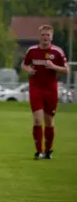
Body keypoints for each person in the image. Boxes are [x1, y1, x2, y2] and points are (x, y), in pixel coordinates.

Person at [20, 24, 69, 160]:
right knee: (37, 119)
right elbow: (24, 64)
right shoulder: (32, 51)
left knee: (49, 122)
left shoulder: (57, 52)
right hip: (36, 88)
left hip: (51, 90)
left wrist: (54, 66)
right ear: (39, 37)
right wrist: (28, 70)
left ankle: (48, 151)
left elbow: (66, 70)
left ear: (51, 37)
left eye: (47, 35)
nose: (45, 37)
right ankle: (39, 151)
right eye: (42, 35)